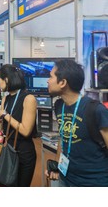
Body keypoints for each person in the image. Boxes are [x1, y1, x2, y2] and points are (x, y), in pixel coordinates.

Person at [45, 59, 108, 187]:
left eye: (51, 77)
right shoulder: (59, 106)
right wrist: (57, 166)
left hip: (94, 183)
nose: (47, 80)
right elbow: (63, 137)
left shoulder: (95, 110)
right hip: (66, 178)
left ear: (62, 82)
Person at [0, 64, 37, 187]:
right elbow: (3, 124)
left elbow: (25, 130)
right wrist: (0, 123)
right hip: (7, 148)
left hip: (23, 153)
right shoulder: (5, 99)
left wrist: (5, 114)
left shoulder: (29, 98)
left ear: (6, 80)